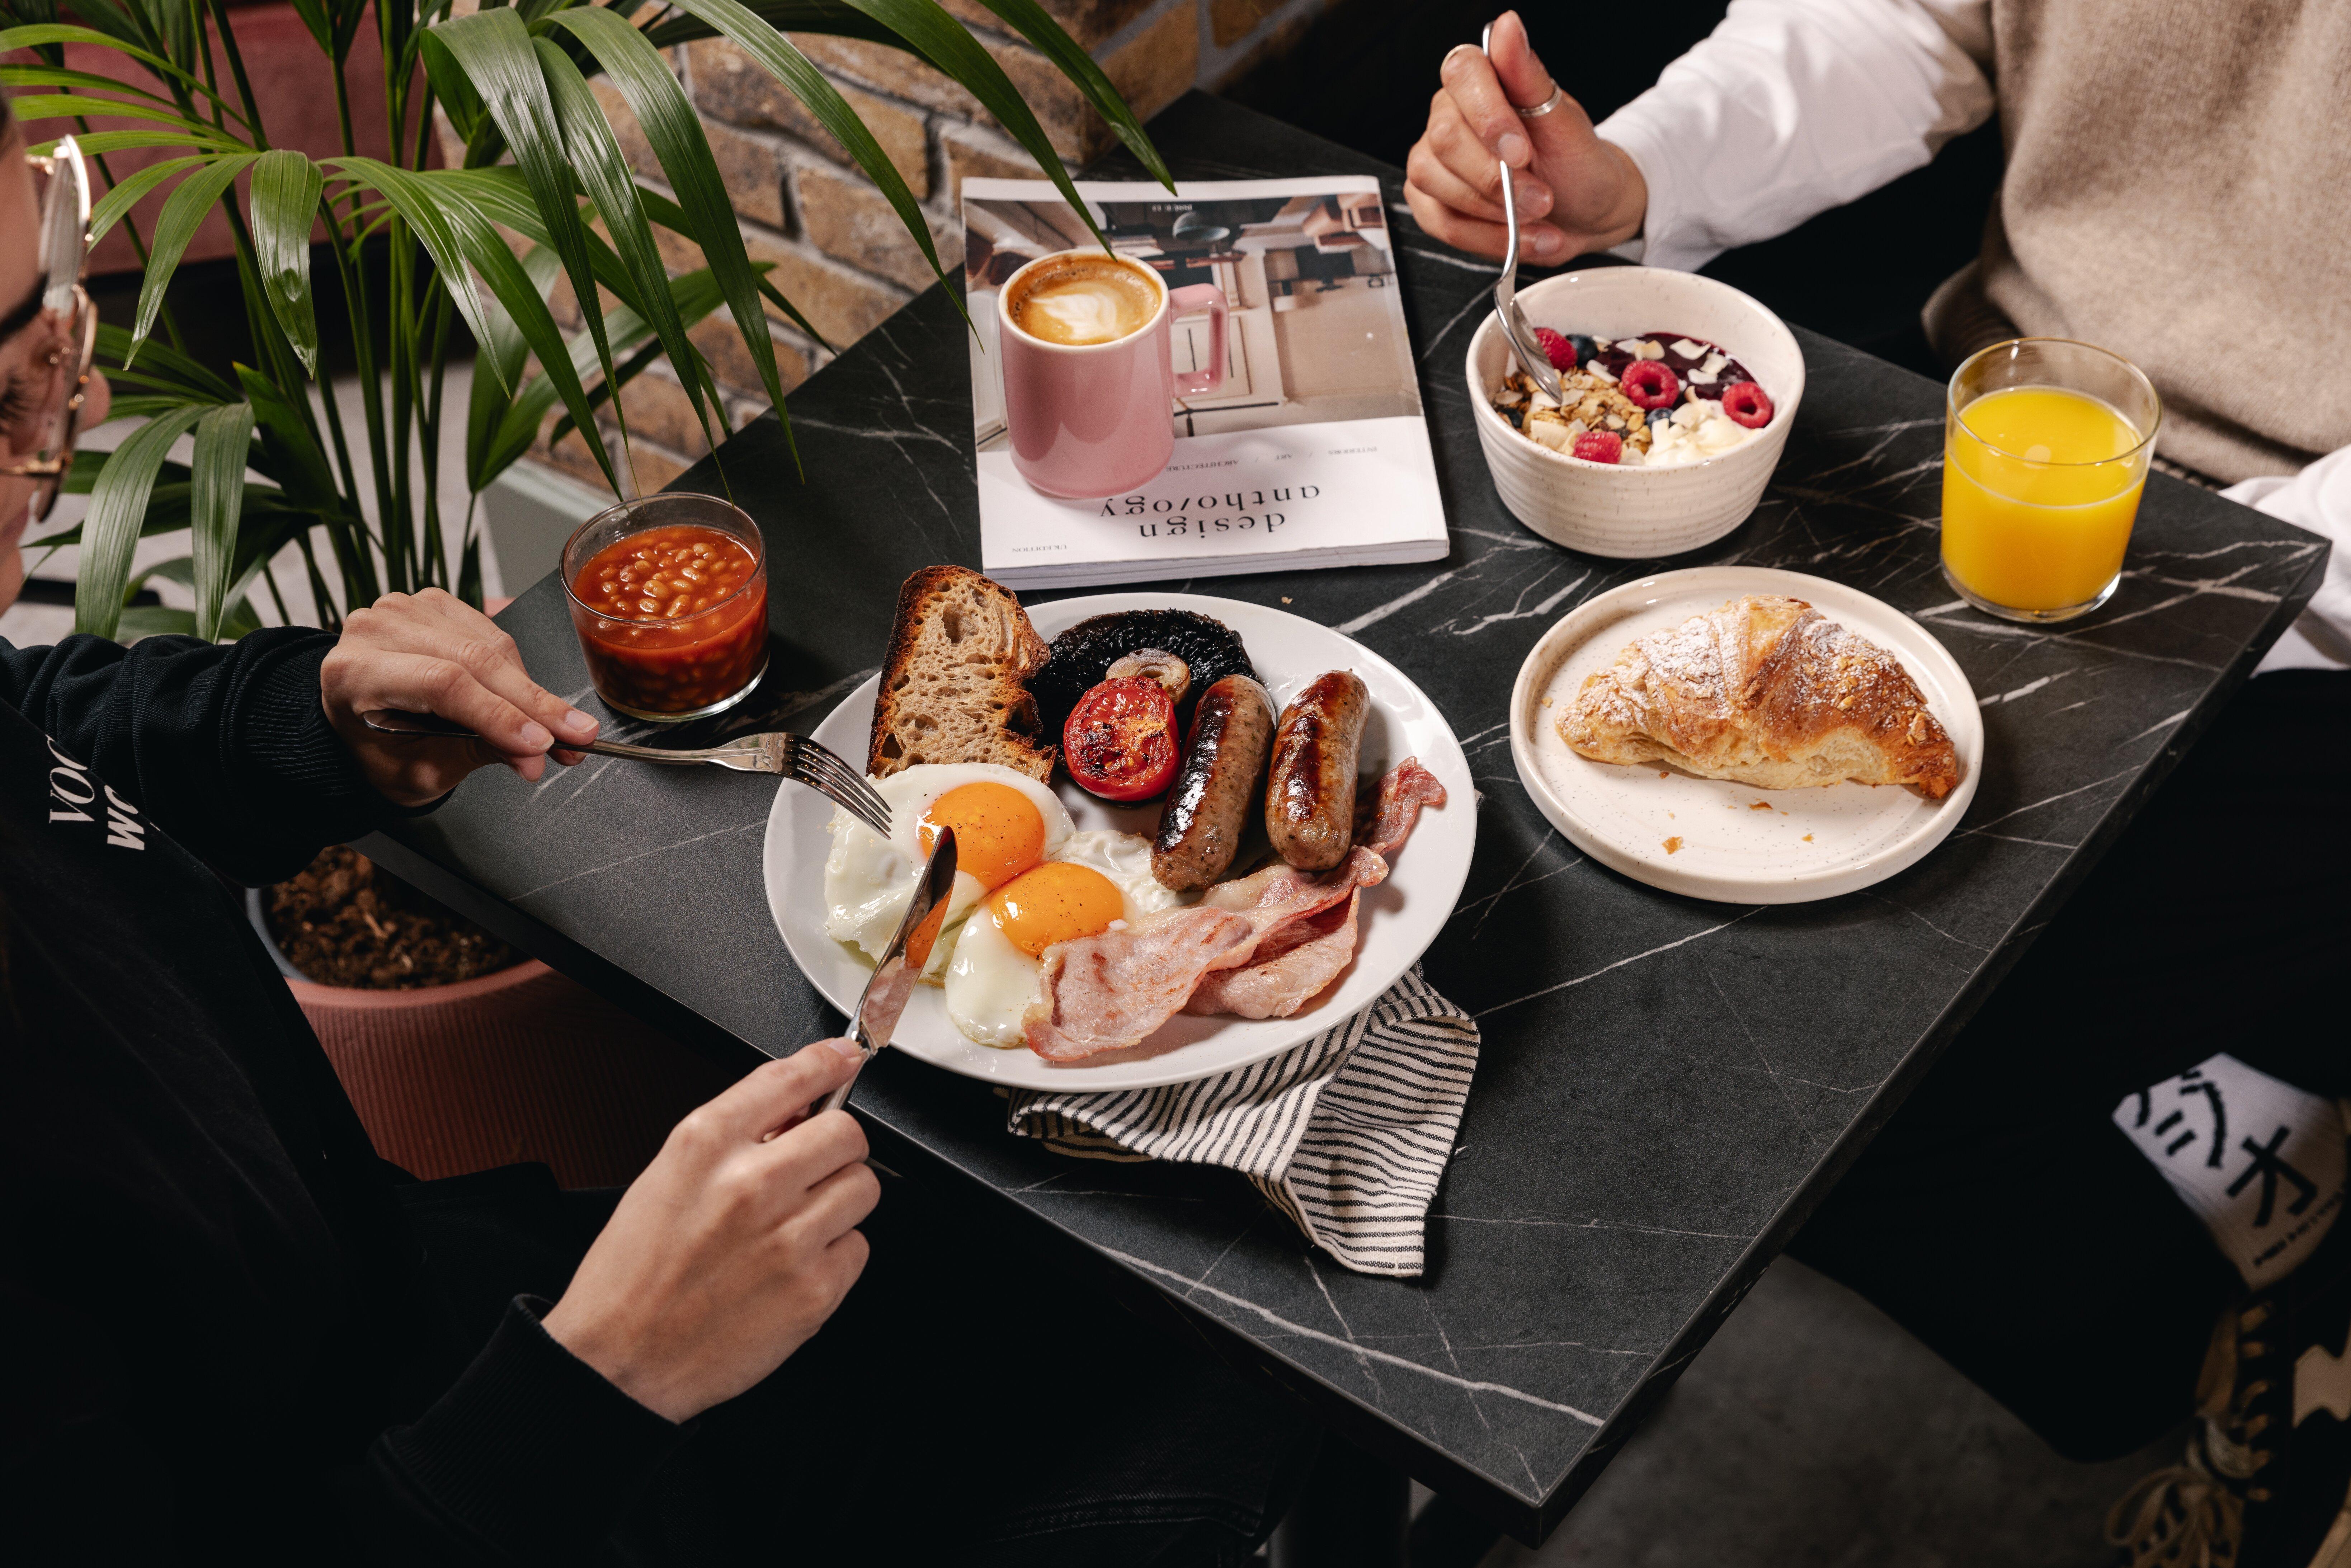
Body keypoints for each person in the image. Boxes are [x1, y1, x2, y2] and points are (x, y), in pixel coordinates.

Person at [0, 96, 1310, 1563]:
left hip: (453, 1312)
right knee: (1251, 1368)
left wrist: (307, 718)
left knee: (1168, 1262)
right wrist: (605, 1373)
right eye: (6, 392)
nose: (82, 407)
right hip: (512, 1473)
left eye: (53, 325)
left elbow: (45, 722)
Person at [1410, 8, 2351, 1566]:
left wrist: (2203, 588)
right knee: (1629, 965)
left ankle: (2199, 1276)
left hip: (2306, 609)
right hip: (1988, 446)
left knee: (1876, 1054)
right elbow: (1910, 21)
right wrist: (1637, 174)